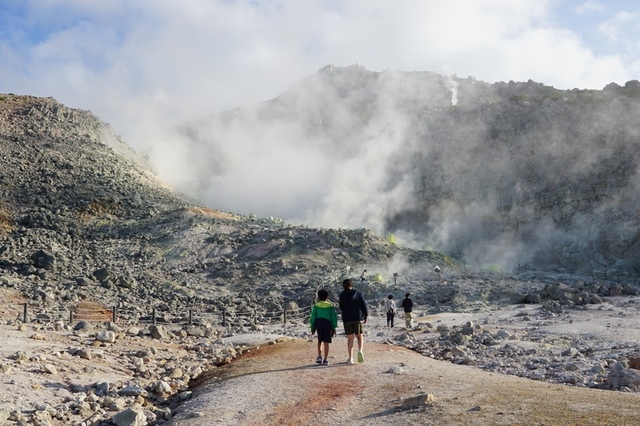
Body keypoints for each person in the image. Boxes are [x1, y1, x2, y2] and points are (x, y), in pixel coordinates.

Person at [339, 279, 368, 364]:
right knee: (359, 336)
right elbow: (363, 305)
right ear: (352, 285)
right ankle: (360, 351)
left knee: (350, 338)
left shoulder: (342, 295)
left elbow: (341, 307)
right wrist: (365, 315)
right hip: (358, 317)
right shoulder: (358, 293)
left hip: (347, 319)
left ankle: (350, 358)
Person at [309, 289, 338, 366]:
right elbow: (333, 317)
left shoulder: (316, 306)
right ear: (327, 297)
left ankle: (319, 356)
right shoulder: (330, 306)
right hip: (327, 325)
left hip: (319, 324)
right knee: (326, 342)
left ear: (318, 297)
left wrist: (312, 327)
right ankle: (325, 359)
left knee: (319, 341)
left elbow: (313, 317)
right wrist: (334, 327)